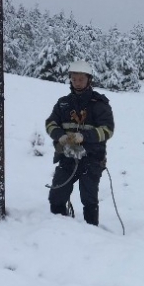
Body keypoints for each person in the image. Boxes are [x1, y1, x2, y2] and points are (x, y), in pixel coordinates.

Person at [45, 60, 114, 226]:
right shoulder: (63, 103)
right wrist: (60, 136)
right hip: (67, 156)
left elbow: (107, 130)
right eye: (74, 79)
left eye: (81, 79)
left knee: (89, 199)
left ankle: (91, 233)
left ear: (89, 80)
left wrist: (84, 137)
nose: (77, 82)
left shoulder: (99, 104)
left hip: (92, 159)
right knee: (56, 196)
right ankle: (60, 229)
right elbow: (51, 123)